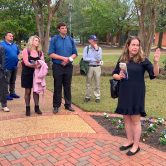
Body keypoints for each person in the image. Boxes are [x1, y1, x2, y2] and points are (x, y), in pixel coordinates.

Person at [112, 36, 160, 156]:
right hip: (124, 92)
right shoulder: (123, 58)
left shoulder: (143, 60)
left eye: (137, 45)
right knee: (126, 119)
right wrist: (119, 76)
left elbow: (154, 74)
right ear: (128, 46)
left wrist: (155, 62)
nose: (135, 47)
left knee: (135, 120)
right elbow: (114, 74)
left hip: (136, 94)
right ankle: (129, 141)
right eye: (133, 45)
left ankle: (136, 145)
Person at [48, 22, 78, 113]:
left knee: (67, 86)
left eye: (65, 28)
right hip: (58, 66)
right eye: (62, 28)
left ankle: (68, 105)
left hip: (68, 66)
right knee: (57, 86)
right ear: (59, 29)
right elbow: (51, 54)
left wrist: (68, 59)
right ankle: (56, 106)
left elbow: (75, 53)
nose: (65, 29)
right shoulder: (54, 39)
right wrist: (63, 58)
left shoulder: (70, 39)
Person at [21, 35, 46, 116]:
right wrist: (35, 65)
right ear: (31, 41)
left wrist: (39, 65)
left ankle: (37, 107)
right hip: (27, 73)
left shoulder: (40, 52)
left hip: (37, 74)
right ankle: (27, 108)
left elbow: (42, 62)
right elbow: (26, 63)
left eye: (38, 41)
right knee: (27, 91)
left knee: (36, 91)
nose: (37, 42)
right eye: (35, 40)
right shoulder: (26, 51)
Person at [0, 32, 20, 100]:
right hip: (6, 67)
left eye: (12, 36)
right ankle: (6, 94)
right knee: (6, 82)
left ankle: (12, 93)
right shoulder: (1, 45)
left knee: (13, 81)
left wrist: (18, 60)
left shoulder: (14, 45)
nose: (11, 37)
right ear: (5, 37)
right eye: (10, 36)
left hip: (14, 66)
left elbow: (17, 54)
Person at [83, 35, 102, 103]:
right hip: (89, 67)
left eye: (95, 40)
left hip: (97, 67)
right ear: (89, 40)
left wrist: (96, 49)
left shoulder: (99, 48)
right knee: (88, 82)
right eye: (93, 40)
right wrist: (93, 60)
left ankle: (97, 96)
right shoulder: (86, 48)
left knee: (97, 82)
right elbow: (85, 58)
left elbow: (99, 59)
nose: (95, 41)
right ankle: (88, 96)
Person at [0, 46, 9, 112]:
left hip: (0, 71)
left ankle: (4, 105)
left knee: (3, 88)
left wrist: (2, 69)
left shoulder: (1, 48)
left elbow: (3, 60)